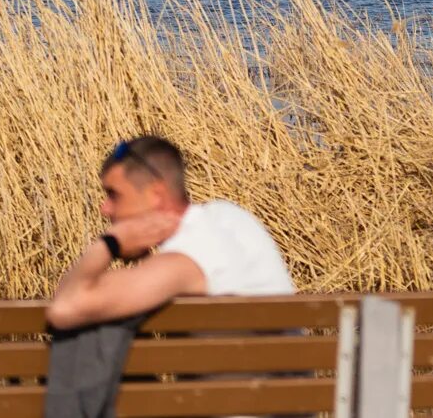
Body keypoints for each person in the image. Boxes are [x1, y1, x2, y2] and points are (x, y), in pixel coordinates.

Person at [45, 135, 293, 332]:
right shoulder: (229, 216)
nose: (104, 208)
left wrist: (109, 243)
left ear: (156, 195)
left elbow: (64, 309)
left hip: (232, 396)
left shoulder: (183, 259)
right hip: (281, 393)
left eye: (114, 195)